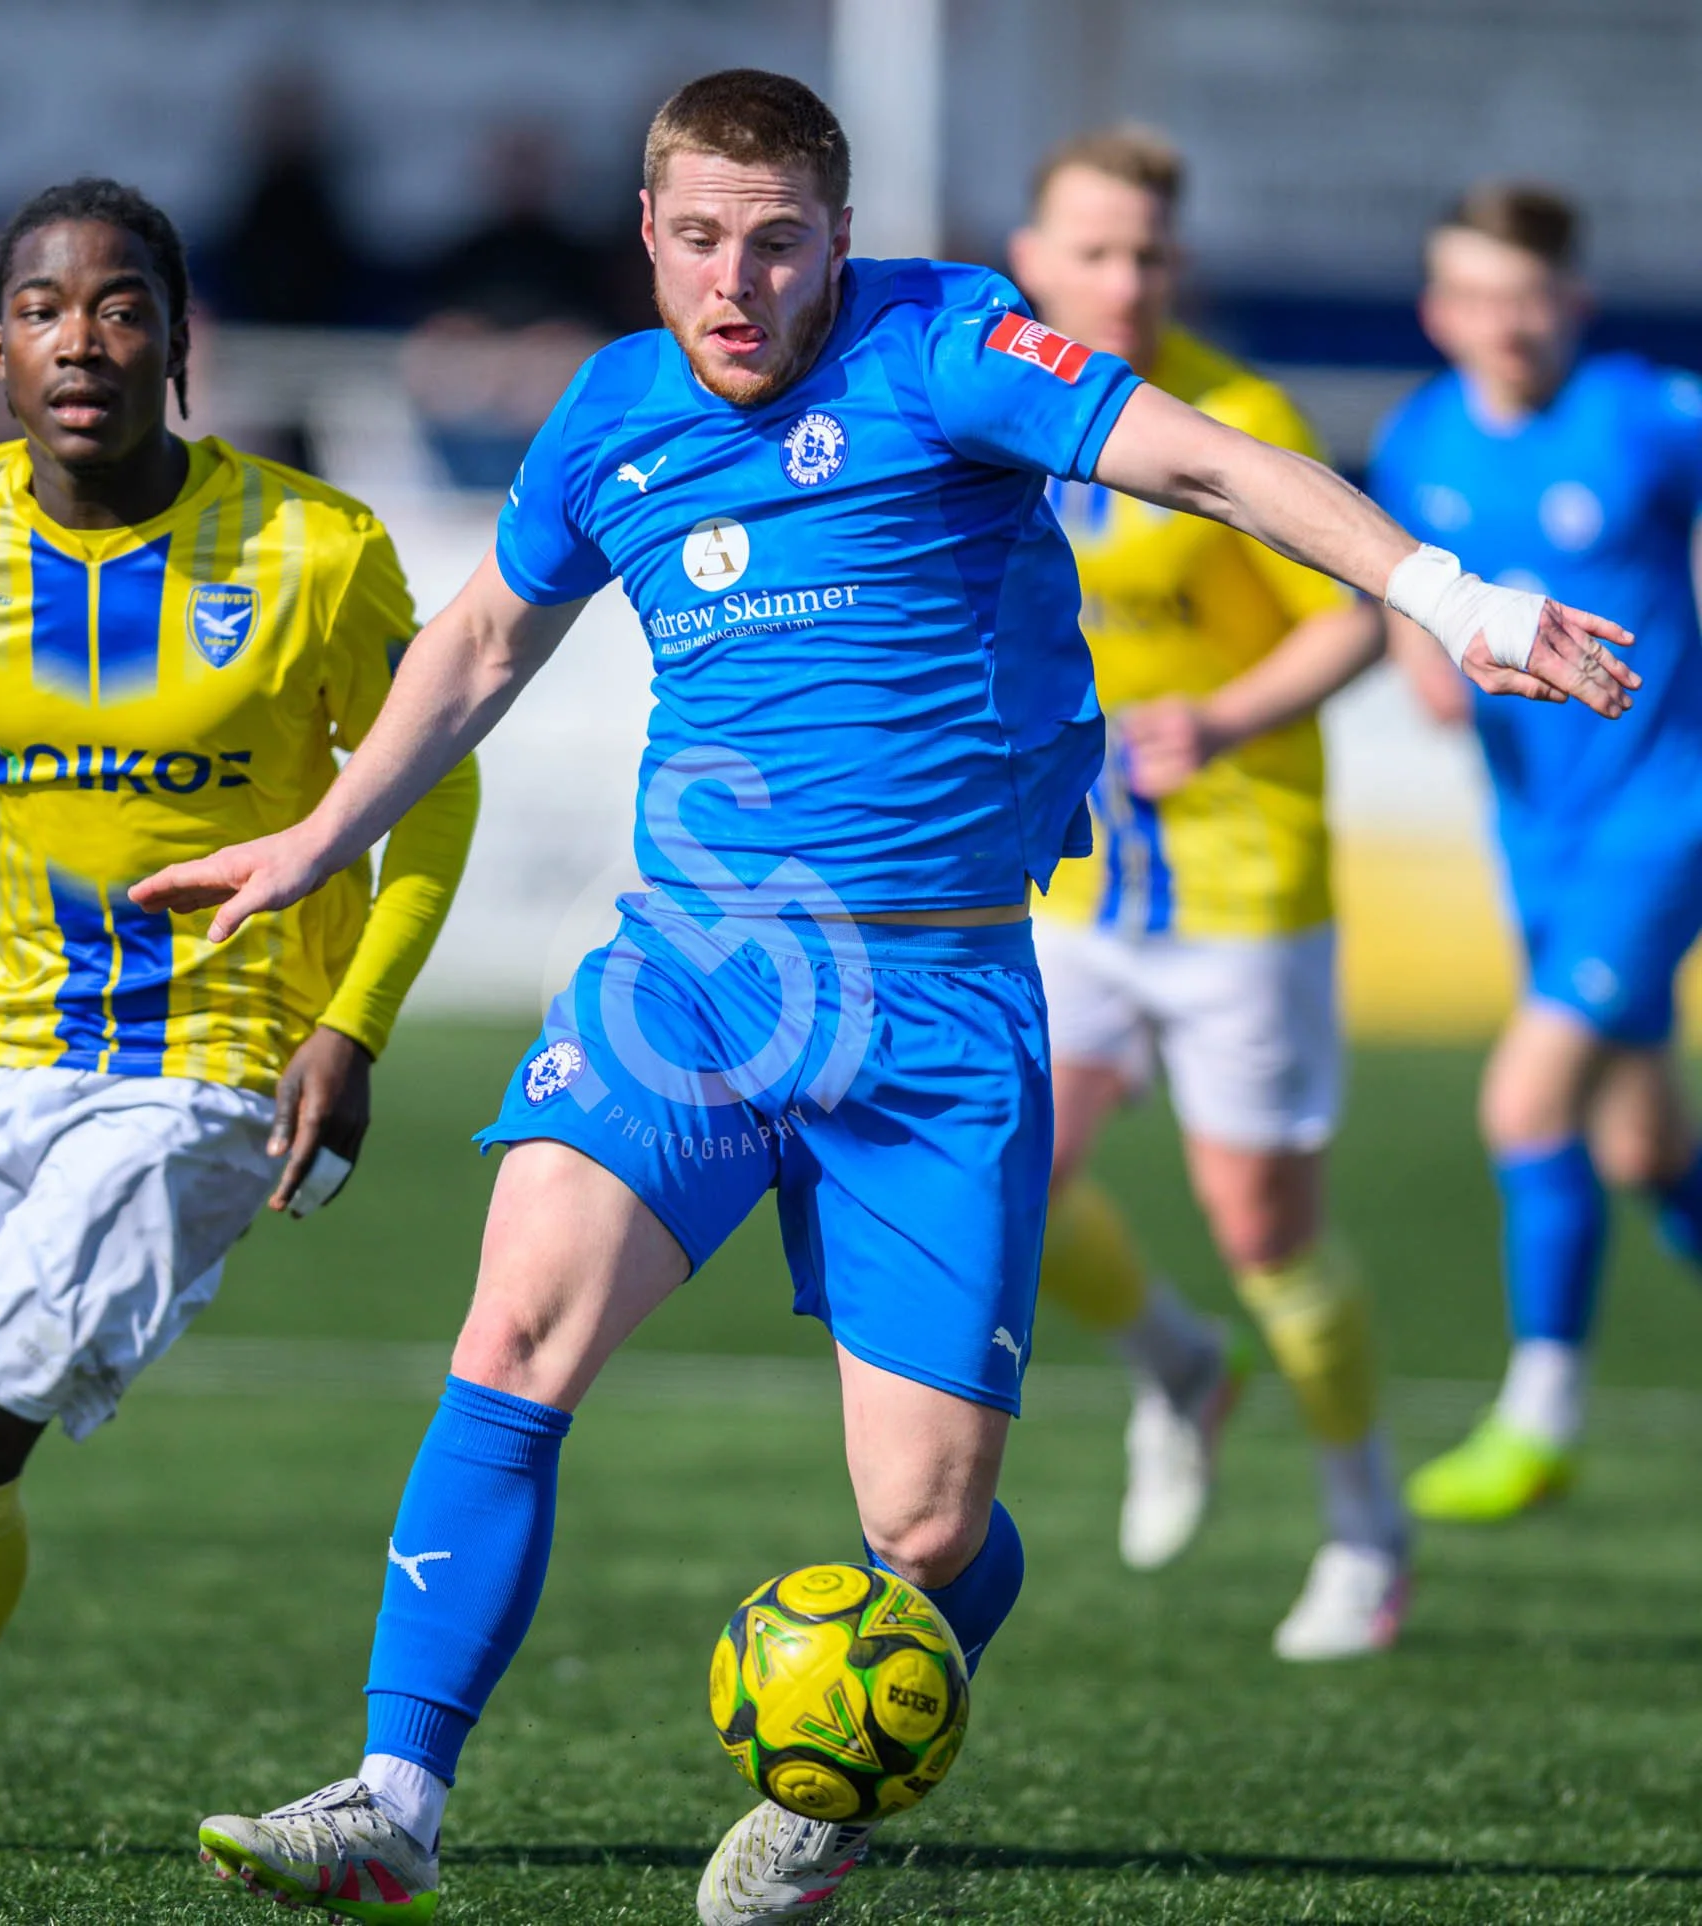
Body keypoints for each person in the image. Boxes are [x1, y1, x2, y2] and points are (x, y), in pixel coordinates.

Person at [134, 73, 1632, 1926]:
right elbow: (481, 642)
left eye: (778, 242)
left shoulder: (947, 350)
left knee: (925, 1529)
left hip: (934, 1003)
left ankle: (852, 1761)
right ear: (648, 231)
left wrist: (1451, 600)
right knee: (514, 1325)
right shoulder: (611, 409)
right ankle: (391, 1792)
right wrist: (319, 832)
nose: (736, 283)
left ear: (840, 234)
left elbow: (1218, 464)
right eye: (698, 241)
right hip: (690, 972)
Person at [0, 177, 478, 1857]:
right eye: (42, 309)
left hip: (216, 1070)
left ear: (178, 343)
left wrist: (353, 1024)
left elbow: (431, 800)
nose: (79, 339)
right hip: (9, 1049)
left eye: (120, 307)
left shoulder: (319, 549)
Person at [1004, 128, 1407, 1658]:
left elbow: (1357, 618)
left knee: (1265, 1225)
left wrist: (1220, 720)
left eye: (1152, 253)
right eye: (1097, 251)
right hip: (1076, 878)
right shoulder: (1000, 409)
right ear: (1033, 260)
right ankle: (1180, 1366)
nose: (1127, 278)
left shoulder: (1238, 417)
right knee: (1015, 1171)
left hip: (1241, 876)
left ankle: (1366, 1525)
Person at [1372, 183, 1702, 1522]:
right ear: (1437, 310)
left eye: (1529, 296)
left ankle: (1541, 1411)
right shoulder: (1419, 436)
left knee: (1526, 1100)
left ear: (1573, 301)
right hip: (1536, 835)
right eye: (1477, 296)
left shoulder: (1647, 413)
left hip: (1664, 816)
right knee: (1639, 1143)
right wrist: (1422, 652)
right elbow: (1403, 583)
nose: (1504, 322)